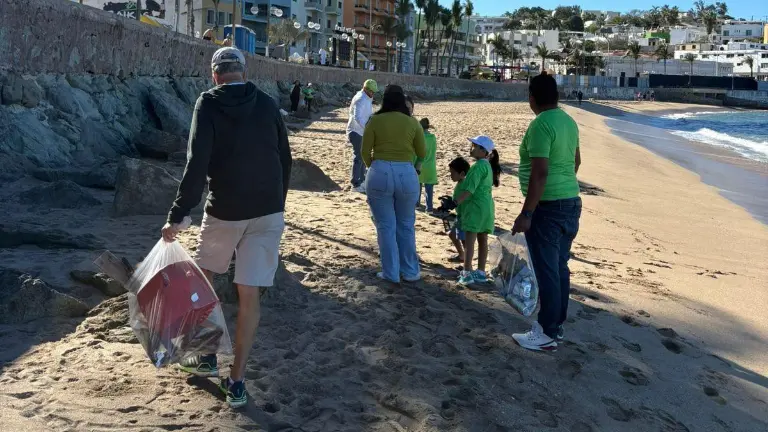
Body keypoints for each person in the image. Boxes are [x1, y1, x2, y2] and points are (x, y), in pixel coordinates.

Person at [161, 47, 293, 408]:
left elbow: (197, 161)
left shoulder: (208, 103)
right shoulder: (266, 104)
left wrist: (179, 213)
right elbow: (284, 157)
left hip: (226, 210)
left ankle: (204, 355)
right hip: (268, 212)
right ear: (244, 72)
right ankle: (236, 382)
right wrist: (276, 202)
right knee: (249, 296)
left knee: (202, 281)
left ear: (215, 74)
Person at [511, 73, 581, 352]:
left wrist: (527, 213)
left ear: (532, 98)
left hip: (548, 207)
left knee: (547, 272)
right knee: (559, 268)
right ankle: (557, 325)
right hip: (571, 203)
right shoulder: (568, 121)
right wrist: (562, 187)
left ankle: (546, 332)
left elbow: (540, 173)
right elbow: (576, 161)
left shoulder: (541, 125)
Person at [362, 85, 426, 283]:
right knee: (406, 225)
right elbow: (422, 152)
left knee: (385, 226)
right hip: (406, 173)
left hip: (380, 171)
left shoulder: (375, 120)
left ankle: (390, 272)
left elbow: (365, 151)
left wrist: (374, 167)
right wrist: (413, 165)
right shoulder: (412, 122)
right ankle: (410, 271)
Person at [455, 136, 501, 286]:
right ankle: (480, 272)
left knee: (470, 240)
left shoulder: (478, 166)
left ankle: (467, 271)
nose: (471, 148)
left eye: (474, 146)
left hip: (475, 207)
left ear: (483, 150)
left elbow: (469, 189)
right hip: (487, 207)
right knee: (483, 239)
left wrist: (454, 202)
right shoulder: (487, 165)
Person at [347, 79, 378, 193]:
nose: (373, 94)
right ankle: (356, 184)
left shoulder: (367, 98)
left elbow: (366, 115)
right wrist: (367, 128)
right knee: (358, 157)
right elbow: (357, 117)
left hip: (362, 132)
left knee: (363, 156)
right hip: (356, 131)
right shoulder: (360, 99)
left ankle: (362, 180)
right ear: (365, 89)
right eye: (371, 91)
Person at [447, 157, 470, 263]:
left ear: (461, 173)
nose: (450, 175)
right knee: (452, 234)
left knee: (465, 240)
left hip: (465, 217)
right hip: (459, 215)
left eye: (452, 173)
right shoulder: (460, 183)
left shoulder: (466, 184)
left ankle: (467, 263)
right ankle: (462, 255)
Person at [416, 118, 437, 212]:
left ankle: (417, 204)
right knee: (429, 189)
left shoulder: (419, 138)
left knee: (418, 186)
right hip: (430, 165)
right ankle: (429, 208)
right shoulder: (433, 138)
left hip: (420, 165)